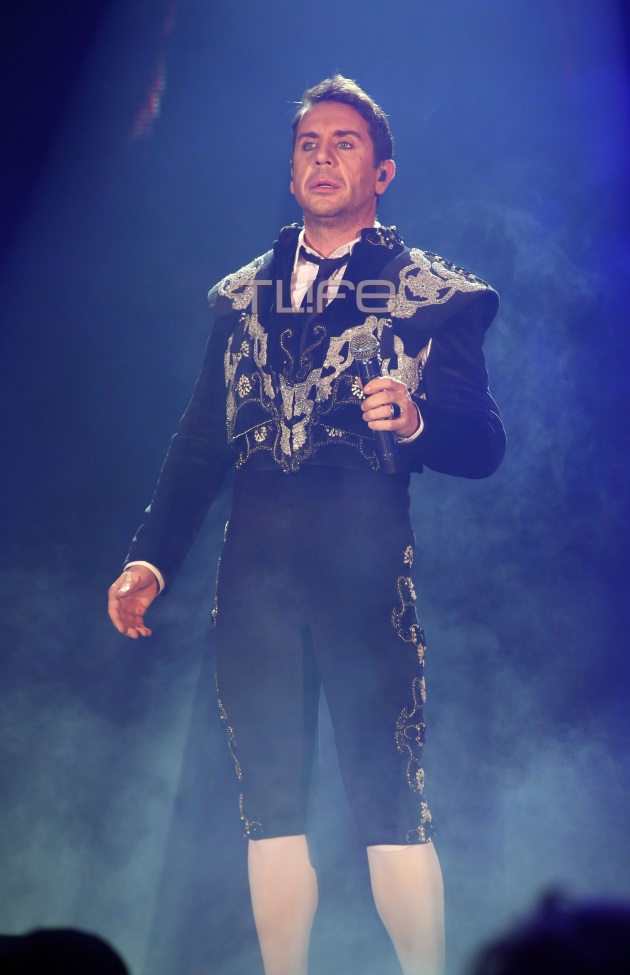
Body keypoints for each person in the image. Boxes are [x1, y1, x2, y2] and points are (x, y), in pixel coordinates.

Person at [108, 74, 505, 975]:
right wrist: (150, 560)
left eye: (345, 143)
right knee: (269, 808)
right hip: (252, 580)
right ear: (291, 172)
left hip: (365, 575)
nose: (324, 157)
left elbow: (484, 443)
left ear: (383, 171)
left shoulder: (436, 295)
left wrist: (417, 420)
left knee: (389, 803)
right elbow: (199, 442)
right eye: (309, 144)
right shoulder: (239, 296)